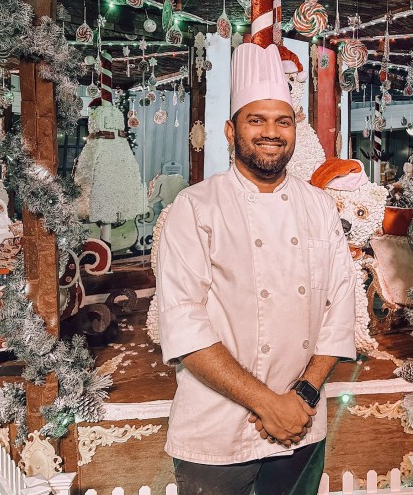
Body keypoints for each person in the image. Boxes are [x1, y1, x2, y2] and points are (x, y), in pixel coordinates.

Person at [156, 42, 357, 495]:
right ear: (231, 131)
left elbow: (341, 307)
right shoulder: (195, 208)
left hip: (301, 423)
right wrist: (268, 404)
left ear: (295, 129)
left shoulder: (320, 207)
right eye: (256, 120)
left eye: (282, 121)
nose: (271, 132)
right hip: (216, 429)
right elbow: (184, 325)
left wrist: (302, 395)